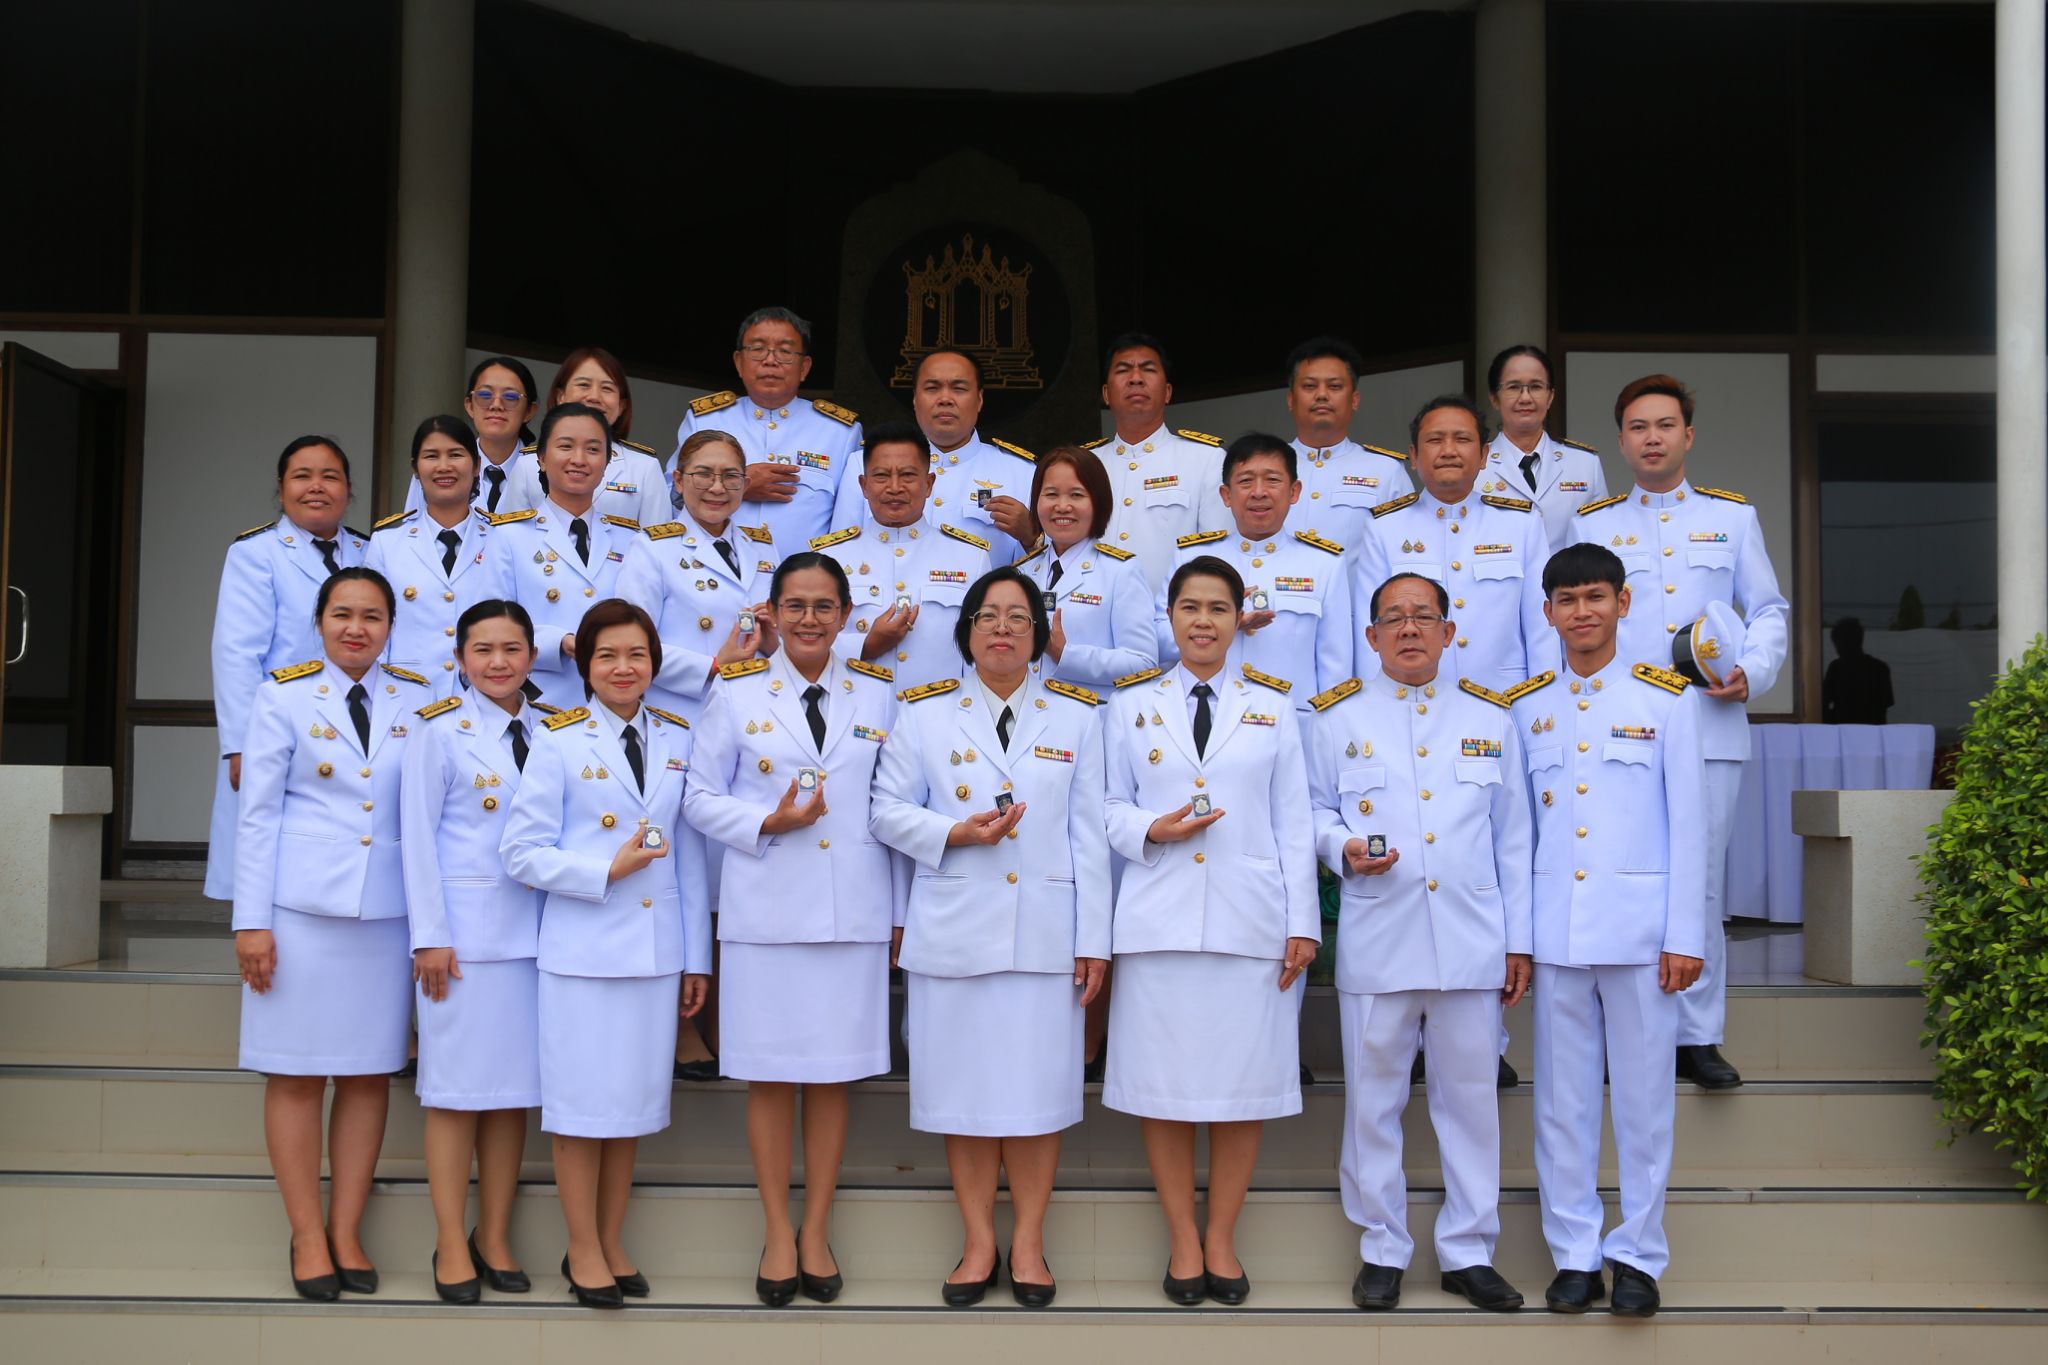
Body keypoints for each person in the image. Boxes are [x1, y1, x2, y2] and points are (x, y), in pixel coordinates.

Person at [872, 566, 1111, 1309]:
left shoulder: (1078, 716)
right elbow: (884, 811)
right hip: (956, 931)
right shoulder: (924, 715)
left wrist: (1095, 939)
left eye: (1018, 616)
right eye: (987, 615)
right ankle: (979, 1241)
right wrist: (953, 830)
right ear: (967, 631)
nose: (1003, 627)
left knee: (1039, 1095)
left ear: (1039, 635)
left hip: (1047, 933)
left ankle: (1030, 1240)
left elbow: (1091, 836)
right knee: (964, 1095)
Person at [1305, 571, 1532, 1314]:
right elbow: (1307, 811)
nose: (1409, 629)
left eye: (1423, 616)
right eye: (1394, 618)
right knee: (1372, 1101)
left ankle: (1470, 1248)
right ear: (1370, 636)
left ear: (1448, 631)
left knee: (1468, 1101)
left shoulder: (1492, 720)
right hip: (1380, 935)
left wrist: (1517, 944)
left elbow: (1515, 841)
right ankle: (1382, 1246)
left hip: (1471, 942)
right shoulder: (1334, 718)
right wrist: (1342, 846)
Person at [684, 552, 902, 1306]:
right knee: (772, 1077)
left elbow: (895, 803)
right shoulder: (738, 692)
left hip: (854, 908)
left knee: (834, 1078)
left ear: (846, 616)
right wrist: (766, 820)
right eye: (796, 605)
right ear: (772, 614)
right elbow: (696, 796)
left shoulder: (879, 694)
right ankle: (777, 1227)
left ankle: (817, 1226)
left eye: (824, 605)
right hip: (768, 907)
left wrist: (902, 912)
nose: (810, 618)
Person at [1101, 556, 1319, 1307]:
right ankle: (1182, 1238)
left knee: (1242, 1090)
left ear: (1239, 618)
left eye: (1218, 608)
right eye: (1189, 607)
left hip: (1248, 923)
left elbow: (1296, 822)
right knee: (1160, 1090)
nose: (1202, 621)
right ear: (1169, 618)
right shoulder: (1128, 705)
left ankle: (1221, 1234)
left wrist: (1303, 924)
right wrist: (1150, 827)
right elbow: (1103, 808)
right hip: (1159, 920)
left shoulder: (1275, 707)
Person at [1574, 374, 1787, 1089]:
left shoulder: (1732, 517)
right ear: (1622, 439)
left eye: (1666, 425)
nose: (1653, 437)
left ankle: (1695, 1036)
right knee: (1622, 869)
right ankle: (1620, 1029)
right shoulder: (1593, 524)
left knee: (1698, 880)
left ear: (1688, 436)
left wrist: (1752, 674)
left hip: (1709, 721)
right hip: (1622, 730)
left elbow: (1766, 611)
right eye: (1638, 426)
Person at [1509, 542, 1706, 1317]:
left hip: (1642, 935)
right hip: (1557, 935)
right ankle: (1574, 1253)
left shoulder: (1666, 699)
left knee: (1645, 1100)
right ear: (1549, 611)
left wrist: (1686, 933)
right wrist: (1517, 940)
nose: (1581, 611)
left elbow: (1689, 828)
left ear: (1623, 604)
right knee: (1561, 1101)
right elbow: (1518, 836)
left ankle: (1639, 1254)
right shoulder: (1526, 707)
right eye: (1567, 599)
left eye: (1595, 596)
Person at [500, 598, 712, 1308]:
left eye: (637, 655)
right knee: (580, 1106)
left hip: (654, 951)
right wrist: (603, 871)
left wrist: (696, 959)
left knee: (633, 1104)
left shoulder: (679, 736)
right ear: (584, 667)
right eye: (607, 656)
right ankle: (581, 1245)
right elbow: (520, 851)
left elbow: (687, 857)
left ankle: (612, 1237)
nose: (624, 668)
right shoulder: (557, 739)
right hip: (583, 951)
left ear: (655, 664)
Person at [231, 566, 422, 1301]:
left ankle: (346, 1227)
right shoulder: (282, 694)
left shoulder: (417, 697)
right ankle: (307, 1231)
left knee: (369, 1073)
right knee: (298, 1072)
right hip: (300, 915)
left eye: (372, 616)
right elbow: (260, 814)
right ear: (319, 621)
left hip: (385, 916)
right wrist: (252, 921)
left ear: (389, 625)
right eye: (342, 613)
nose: (357, 628)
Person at [399, 599, 549, 1304]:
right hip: (464, 942)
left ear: (531, 655)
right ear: (459, 658)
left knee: (511, 1096)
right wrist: (429, 934)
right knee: (456, 1095)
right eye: (482, 649)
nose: (497, 661)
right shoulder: (437, 729)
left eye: (511, 648)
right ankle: (451, 1239)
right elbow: (418, 839)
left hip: (539, 939)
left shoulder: (556, 728)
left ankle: (495, 1233)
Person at [617, 427, 774, 1082]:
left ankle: (723, 1019)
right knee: (680, 871)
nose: (717, 487)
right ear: (677, 482)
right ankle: (683, 1028)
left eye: (731, 476)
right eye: (703, 474)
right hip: (679, 720)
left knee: (726, 879)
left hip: (748, 728)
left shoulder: (763, 548)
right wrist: (712, 663)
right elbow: (630, 637)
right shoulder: (651, 550)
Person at [205, 437, 370, 902]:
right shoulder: (256, 553)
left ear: (349, 489)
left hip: (358, 722)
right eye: (302, 476)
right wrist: (239, 745)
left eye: (330, 476)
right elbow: (237, 654)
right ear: (281, 489)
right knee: (270, 860)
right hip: (281, 728)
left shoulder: (369, 551)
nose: (316, 487)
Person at [1353, 396, 1554, 694]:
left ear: (1484, 454)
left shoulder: (1522, 523)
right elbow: (1371, 629)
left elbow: (1543, 630)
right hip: (1413, 701)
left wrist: (1543, 707)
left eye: (1462, 439)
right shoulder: (1384, 528)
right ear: (1414, 455)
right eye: (1435, 440)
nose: (1448, 451)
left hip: (1504, 702)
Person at [1162, 432, 1355, 706]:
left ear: (1294, 491)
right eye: (1245, 481)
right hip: (1204, 714)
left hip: (1293, 725)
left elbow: (1335, 667)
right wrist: (1224, 624)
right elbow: (1158, 635)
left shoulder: (1324, 564)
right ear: (1226, 495)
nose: (1259, 492)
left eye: (1273, 480)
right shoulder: (1191, 557)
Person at [811, 422, 992, 686]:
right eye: (881, 476)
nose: (894, 487)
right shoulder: (827, 558)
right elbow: (799, 642)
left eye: (908, 475)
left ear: (929, 484)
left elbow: (986, 648)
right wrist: (865, 645)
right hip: (854, 715)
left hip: (940, 717)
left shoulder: (971, 558)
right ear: (863, 485)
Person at [671, 306, 863, 548]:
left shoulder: (840, 432)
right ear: (739, 362)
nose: (770, 361)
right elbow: (671, 494)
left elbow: (852, 520)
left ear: (804, 367)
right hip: (716, 575)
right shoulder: (703, 421)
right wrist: (738, 482)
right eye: (758, 349)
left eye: (784, 351)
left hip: (805, 579)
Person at [497, 403, 644, 710]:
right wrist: (558, 642)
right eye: (565, 446)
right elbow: (493, 624)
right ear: (541, 458)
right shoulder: (506, 536)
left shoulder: (632, 540)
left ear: (606, 462)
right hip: (538, 701)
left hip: (615, 701)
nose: (578, 459)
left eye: (593, 449)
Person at [836, 347, 1036, 566]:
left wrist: (1031, 536)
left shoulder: (1020, 472)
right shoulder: (862, 463)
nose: (945, 399)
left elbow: (1042, 573)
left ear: (979, 400)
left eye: (959, 389)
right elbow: (840, 553)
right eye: (932, 388)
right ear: (914, 399)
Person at [367, 416, 516, 698]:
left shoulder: (504, 541)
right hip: (405, 701)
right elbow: (375, 630)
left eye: (456, 455)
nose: (444, 466)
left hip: (483, 700)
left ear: (476, 467)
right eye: (431, 456)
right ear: (415, 468)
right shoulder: (386, 544)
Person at [1227, 335, 1411, 549]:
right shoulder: (1258, 467)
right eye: (1309, 386)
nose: (1322, 395)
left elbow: (1402, 549)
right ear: (1290, 400)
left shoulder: (1386, 470)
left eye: (1334, 386)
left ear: (1354, 400)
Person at [1079, 333, 1226, 588]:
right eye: (1123, 370)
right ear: (1106, 394)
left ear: (1167, 392)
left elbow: (1217, 556)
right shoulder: (1083, 464)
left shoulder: (1206, 459)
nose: (1136, 378)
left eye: (1147, 369)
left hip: (1169, 621)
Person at [1013, 445, 1158, 691]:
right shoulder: (1021, 572)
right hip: (1026, 720)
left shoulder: (1120, 571)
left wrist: (1065, 655)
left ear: (1098, 502)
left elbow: (1143, 663)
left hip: (1093, 721)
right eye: (1050, 494)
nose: (1062, 506)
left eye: (1076, 495)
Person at [1480, 346, 1608, 552]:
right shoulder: (1474, 464)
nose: (1525, 398)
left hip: (1569, 582)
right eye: (1513, 387)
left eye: (1536, 387)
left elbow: (1599, 539)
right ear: (1494, 398)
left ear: (1550, 397)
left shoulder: (1584, 463)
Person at [540, 347, 671, 528]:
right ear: (560, 396)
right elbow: (512, 533)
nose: (594, 397)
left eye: (607, 388)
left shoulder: (645, 468)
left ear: (622, 405)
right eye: (583, 385)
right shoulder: (527, 464)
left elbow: (657, 547)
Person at [403, 357, 543, 516]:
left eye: (510, 397)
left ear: (529, 410)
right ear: (469, 405)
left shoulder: (544, 469)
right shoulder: (437, 466)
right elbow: (414, 534)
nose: (496, 405)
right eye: (484, 395)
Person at [1822, 617, 1893, 724]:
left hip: (1844, 733)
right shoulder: (1879, 668)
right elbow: (1886, 703)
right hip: (1872, 733)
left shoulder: (1836, 669)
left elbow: (1823, 703)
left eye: (1839, 644)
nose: (1838, 649)